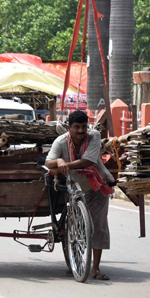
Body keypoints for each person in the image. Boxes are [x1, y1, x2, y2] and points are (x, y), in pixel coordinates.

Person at [46, 110, 114, 281]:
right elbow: (48, 162)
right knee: (72, 226)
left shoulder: (94, 136)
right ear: (69, 128)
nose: (81, 131)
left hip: (97, 186)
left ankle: (96, 269)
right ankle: (74, 262)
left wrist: (64, 164)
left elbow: (88, 161)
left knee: (98, 226)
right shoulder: (60, 142)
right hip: (73, 188)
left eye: (84, 127)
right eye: (76, 127)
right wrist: (58, 161)